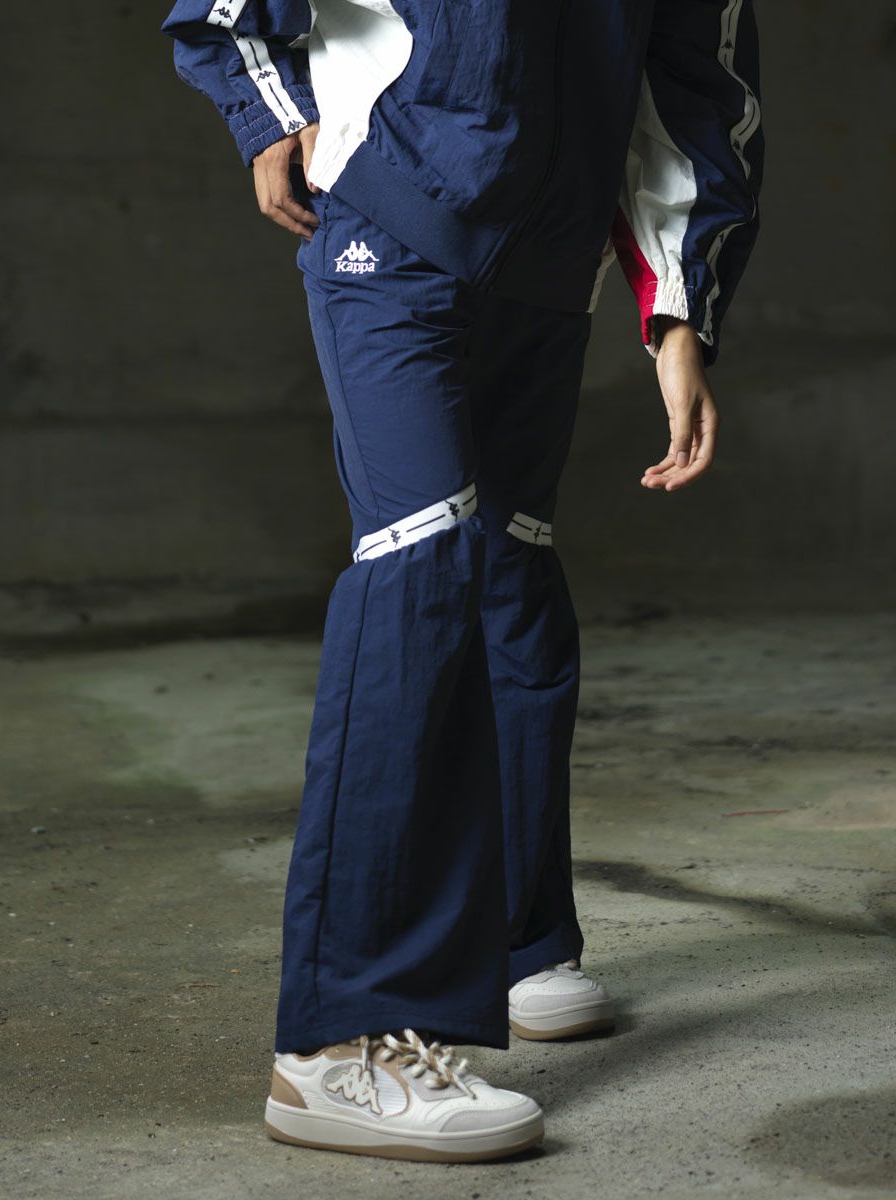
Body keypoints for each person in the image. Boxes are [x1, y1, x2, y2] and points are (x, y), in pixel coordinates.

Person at [162, 0, 763, 1163]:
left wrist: (680, 313)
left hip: (548, 272)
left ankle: (514, 940)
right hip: (389, 226)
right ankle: (340, 1043)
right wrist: (269, 113)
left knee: (511, 577)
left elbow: (699, 89)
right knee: (419, 569)